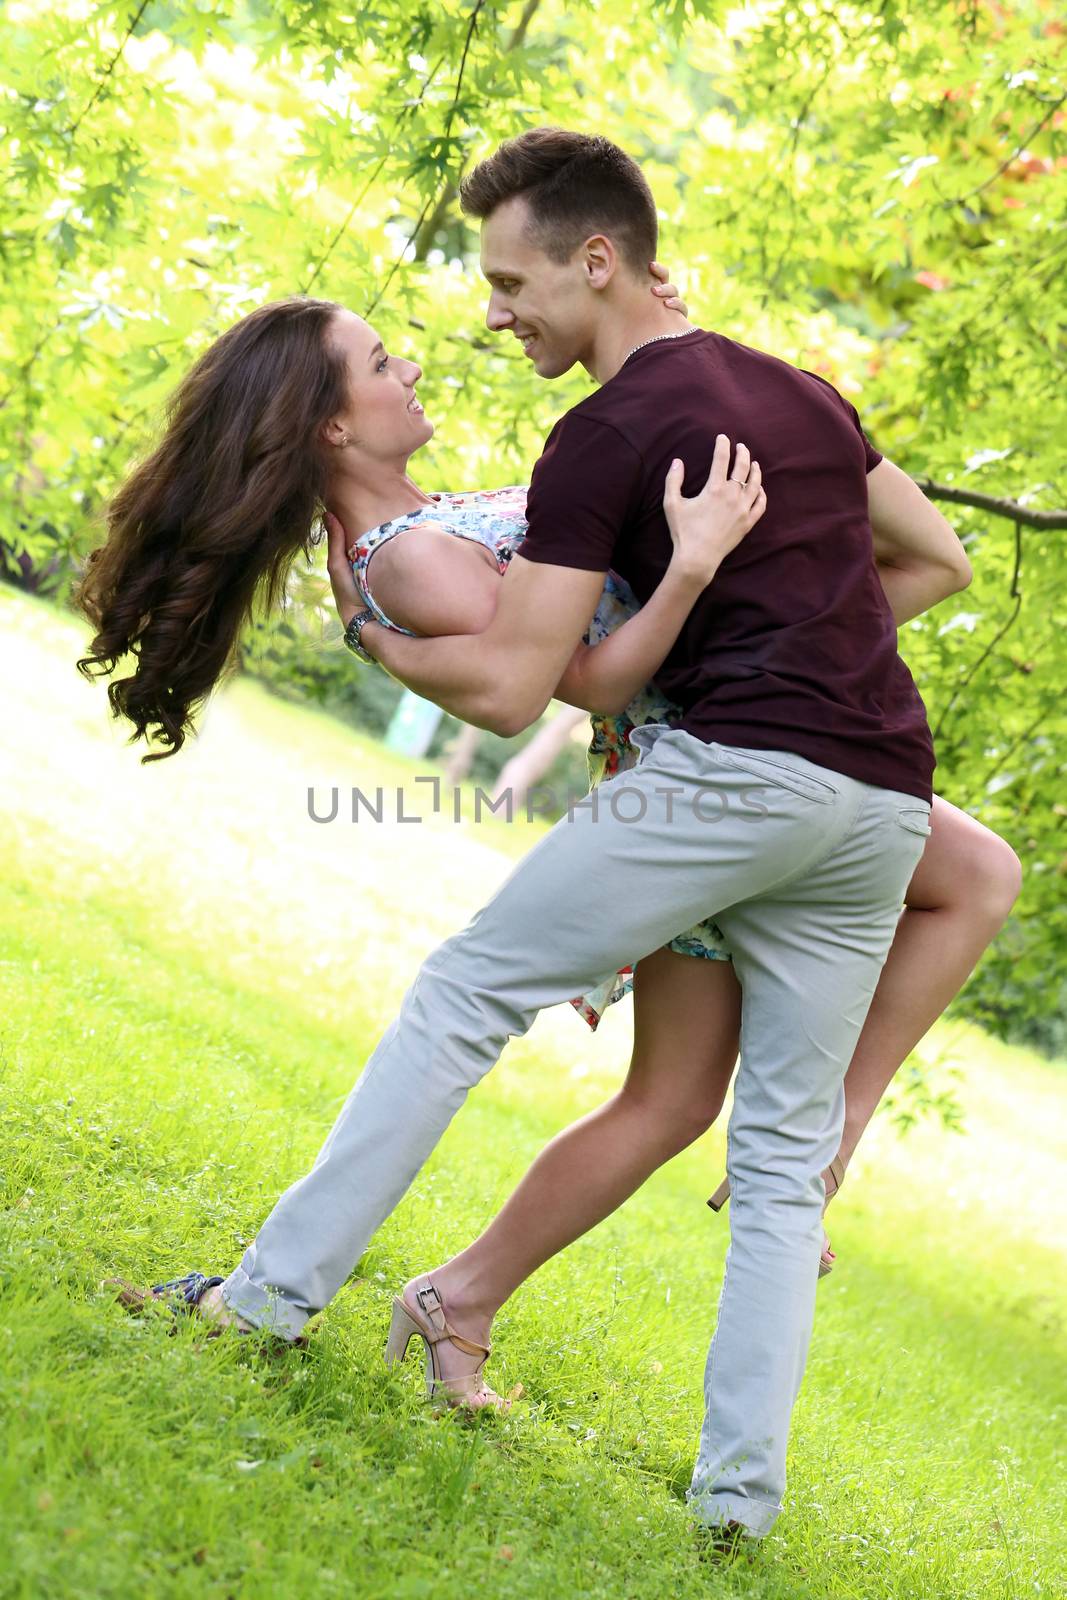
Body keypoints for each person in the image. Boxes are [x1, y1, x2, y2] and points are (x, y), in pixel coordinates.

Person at [80, 130, 1022, 1541]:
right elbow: (931, 559)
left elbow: (539, 682)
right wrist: (782, 650)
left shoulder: (599, 436)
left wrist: (707, 658)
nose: (484, 315)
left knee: (464, 995)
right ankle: (737, 1514)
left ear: (598, 261)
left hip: (729, 779)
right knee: (772, 1156)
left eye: (511, 279)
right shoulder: (798, 393)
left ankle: (266, 1302)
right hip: (878, 791)